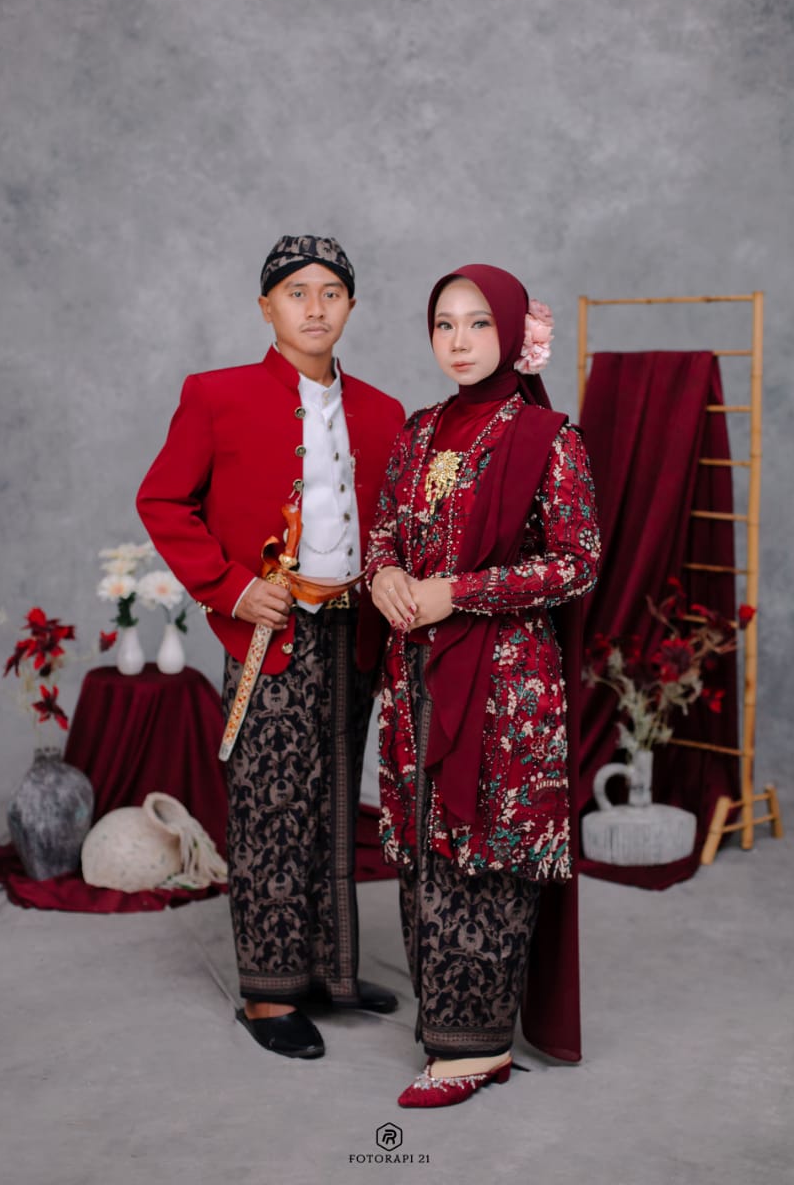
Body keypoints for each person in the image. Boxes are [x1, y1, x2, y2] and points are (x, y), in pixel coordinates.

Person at [137, 235, 405, 1060]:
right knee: (270, 808)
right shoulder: (215, 395)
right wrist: (229, 587)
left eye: (331, 292)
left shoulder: (384, 410)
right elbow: (162, 500)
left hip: (352, 632)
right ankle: (267, 992)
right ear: (266, 307)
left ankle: (327, 973)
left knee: (334, 805)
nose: (314, 307)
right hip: (271, 633)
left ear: (350, 305)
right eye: (296, 292)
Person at [366, 263, 601, 1107]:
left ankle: (477, 1049)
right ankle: (446, 1027)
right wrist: (385, 576)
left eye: (477, 324)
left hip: (506, 688)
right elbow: (383, 532)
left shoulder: (548, 438)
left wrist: (457, 593)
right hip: (415, 678)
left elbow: (577, 562)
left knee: (486, 850)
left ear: (511, 333)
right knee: (424, 846)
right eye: (443, 324)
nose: (458, 341)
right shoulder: (417, 431)